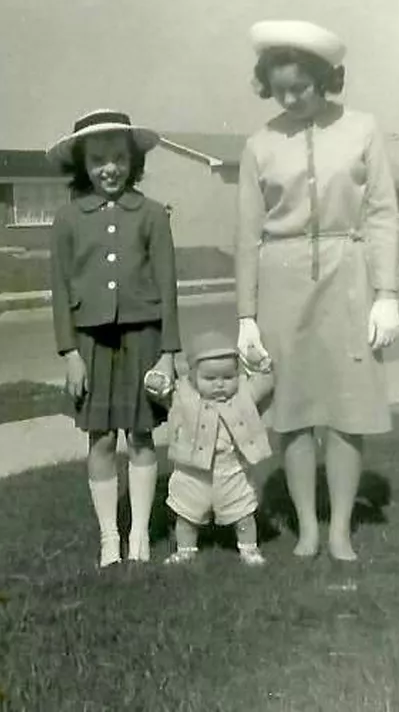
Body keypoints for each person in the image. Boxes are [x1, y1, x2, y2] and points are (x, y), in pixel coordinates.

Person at [235, 21, 399, 562]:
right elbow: (247, 234)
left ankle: (340, 528)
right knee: (294, 405)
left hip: (348, 273)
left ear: (325, 79)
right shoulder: (259, 145)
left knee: (351, 404)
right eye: (279, 88)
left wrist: (386, 292)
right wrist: (246, 315)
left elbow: (379, 214)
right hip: (282, 279)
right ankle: (307, 525)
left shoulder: (363, 130)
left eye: (300, 87)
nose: (290, 98)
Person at [47, 109, 181, 568]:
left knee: (142, 437)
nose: (110, 169)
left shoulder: (151, 214)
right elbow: (61, 290)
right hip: (90, 345)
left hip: (144, 338)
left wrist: (168, 356)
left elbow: (168, 287)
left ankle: (140, 536)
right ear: (82, 164)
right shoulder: (67, 219)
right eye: (99, 159)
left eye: (119, 159)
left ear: (133, 161)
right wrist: (70, 353)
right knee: (101, 440)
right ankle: (110, 538)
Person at [145, 330, 274, 566]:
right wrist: (155, 383)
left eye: (228, 377)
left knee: (243, 512)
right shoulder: (184, 394)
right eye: (210, 379)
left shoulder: (244, 393)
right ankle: (185, 549)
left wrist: (261, 365)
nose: (220, 384)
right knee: (186, 515)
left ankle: (249, 549)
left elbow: (264, 384)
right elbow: (160, 393)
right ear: (193, 377)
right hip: (192, 471)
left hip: (233, 469)